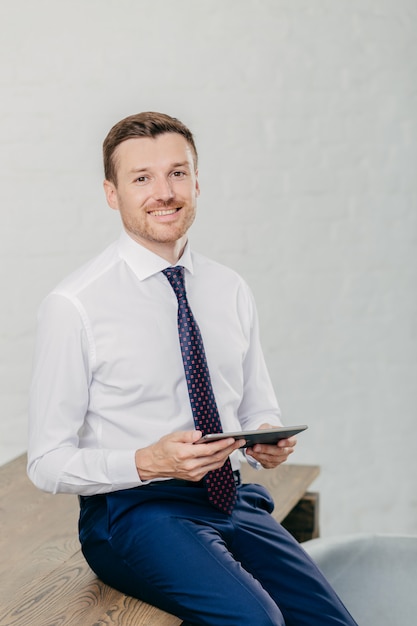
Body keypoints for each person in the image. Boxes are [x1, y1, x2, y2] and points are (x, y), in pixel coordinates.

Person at [28, 111, 357, 626]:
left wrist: (266, 439)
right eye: (142, 178)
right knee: (257, 622)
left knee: (331, 622)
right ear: (112, 193)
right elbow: (46, 462)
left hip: (229, 498)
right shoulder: (74, 305)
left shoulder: (230, 288)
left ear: (197, 182)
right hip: (133, 513)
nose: (164, 191)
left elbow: (256, 406)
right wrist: (147, 462)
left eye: (177, 173)